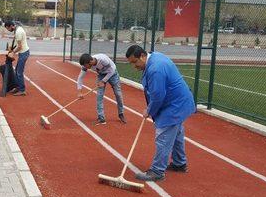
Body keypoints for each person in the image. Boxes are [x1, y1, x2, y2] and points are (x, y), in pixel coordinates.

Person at [125, 45, 196, 182]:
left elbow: (158, 96)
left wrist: (149, 111)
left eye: (135, 62)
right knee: (176, 134)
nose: (134, 66)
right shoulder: (155, 57)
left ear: (142, 56)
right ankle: (179, 163)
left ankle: (157, 171)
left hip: (175, 105)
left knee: (163, 136)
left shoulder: (155, 69)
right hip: (178, 101)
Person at [77, 53, 126, 125]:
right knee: (99, 96)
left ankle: (121, 113)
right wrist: (79, 92)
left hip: (113, 74)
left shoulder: (103, 59)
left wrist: (103, 81)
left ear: (90, 62)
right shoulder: (85, 66)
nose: (85, 67)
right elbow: (80, 78)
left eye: (85, 65)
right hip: (101, 75)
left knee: (118, 94)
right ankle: (101, 118)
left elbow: (112, 70)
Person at [4, 20, 30, 96]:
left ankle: (22, 90)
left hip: (24, 53)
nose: (8, 30)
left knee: (19, 72)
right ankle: (18, 87)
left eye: (8, 29)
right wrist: (11, 48)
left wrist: (13, 52)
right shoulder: (17, 28)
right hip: (23, 53)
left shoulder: (18, 32)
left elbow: (20, 46)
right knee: (17, 71)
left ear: (11, 26)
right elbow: (17, 43)